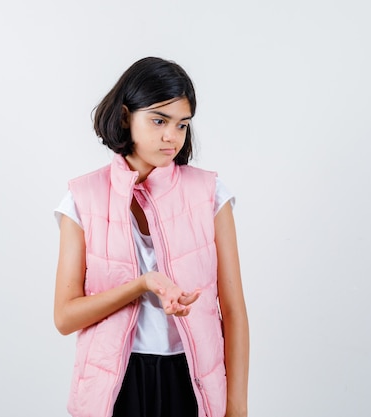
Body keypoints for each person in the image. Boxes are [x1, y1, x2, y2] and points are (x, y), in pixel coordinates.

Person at [53, 57, 249, 417]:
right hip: (115, 386)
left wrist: (236, 407)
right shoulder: (83, 198)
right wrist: (141, 284)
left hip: (192, 381)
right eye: (159, 120)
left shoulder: (211, 194)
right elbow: (65, 317)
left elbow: (233, 310)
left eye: (182, 125)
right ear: (126, 116)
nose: (171, 136)